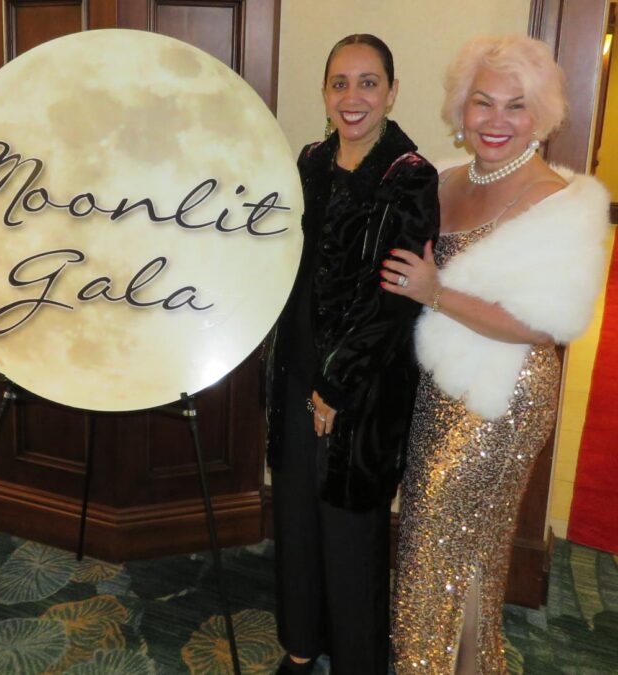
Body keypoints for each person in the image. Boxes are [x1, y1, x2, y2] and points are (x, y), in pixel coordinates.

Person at [387, 35, 609, 674]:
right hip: (436, 390)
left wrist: (436, 292)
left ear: (540, 117)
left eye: (516, 106)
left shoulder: (563, 202)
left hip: (501, 397)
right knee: (468, 549)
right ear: (462, 109)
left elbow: (544, 326)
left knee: (433, 544)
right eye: (483, 102)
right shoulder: (442, 179)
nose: (496, 120)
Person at [265, 34, 439, 674]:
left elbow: (395, 301)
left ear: (392, 92)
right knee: (296, 515)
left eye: (368, 83)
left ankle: (360, 660)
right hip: (296, 368)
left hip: (362, 388)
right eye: (340, 82)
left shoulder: (409, 176)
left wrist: (336, 388)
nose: (352, 97)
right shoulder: (309, 161)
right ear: (326, 94)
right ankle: (300, 644)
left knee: (348, 528)